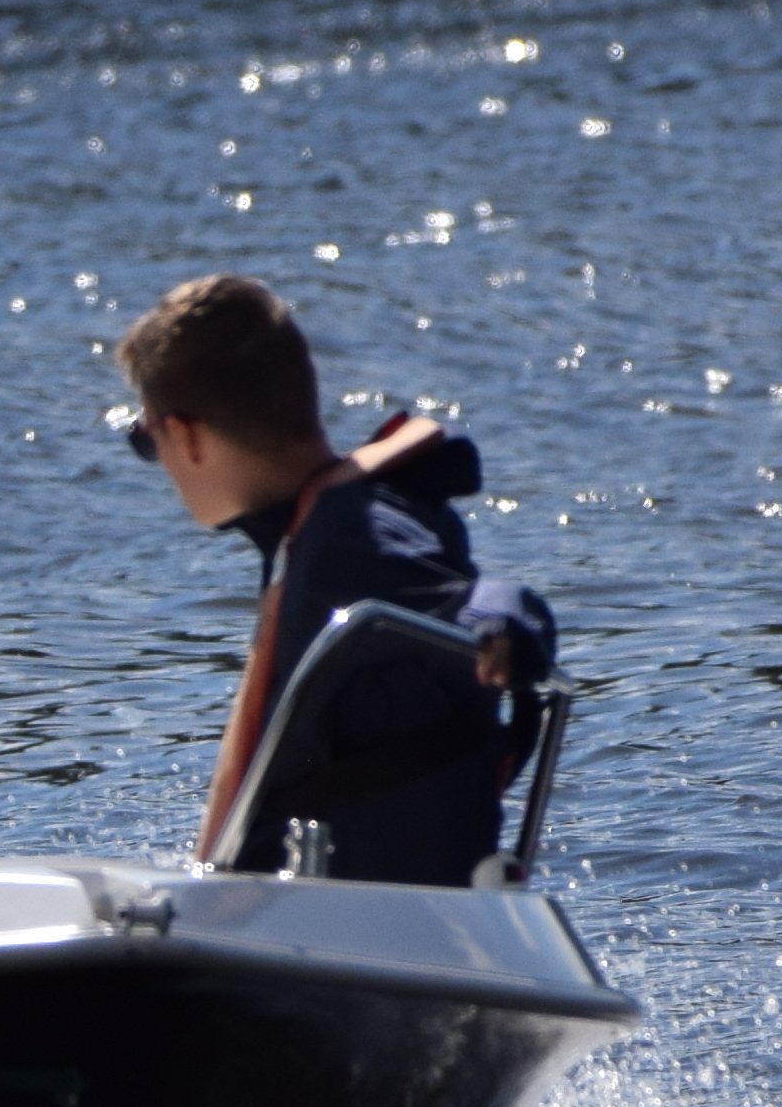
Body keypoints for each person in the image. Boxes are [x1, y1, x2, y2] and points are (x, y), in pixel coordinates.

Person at [117, 272, 554, 883]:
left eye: (146, 440)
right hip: (336, 905)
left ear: (186, 436)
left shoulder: (348, 537)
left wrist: (498, 629)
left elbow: (476, 605)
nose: (156, 460)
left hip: (355, 918)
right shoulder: (312, 530)